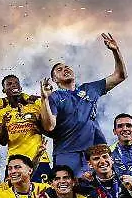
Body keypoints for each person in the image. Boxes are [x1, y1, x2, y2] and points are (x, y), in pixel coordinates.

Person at [47, 32, 127, 172]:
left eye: (67, 67)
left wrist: (116, 51)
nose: (65, 70)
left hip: (95, 152)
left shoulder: (90, 88)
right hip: (67, 153)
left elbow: (120, 76)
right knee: (68, 185)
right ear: (54, 79)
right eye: (59, 70)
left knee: (99, 184)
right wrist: (44, 99)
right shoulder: (54, 97)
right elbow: (49, 126)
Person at [0, 75, 54, 182]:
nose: (13, 85)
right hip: (15, 162)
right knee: (13, 192)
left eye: (16, 83)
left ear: (21, 87)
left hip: (40, 159)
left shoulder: (35, 106)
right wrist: (4, 124)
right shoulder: (1, 112)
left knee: (44, 192)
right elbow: (2, 142)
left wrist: (37, 123)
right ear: (4, 90)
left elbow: (49, 129)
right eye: (9, 84)